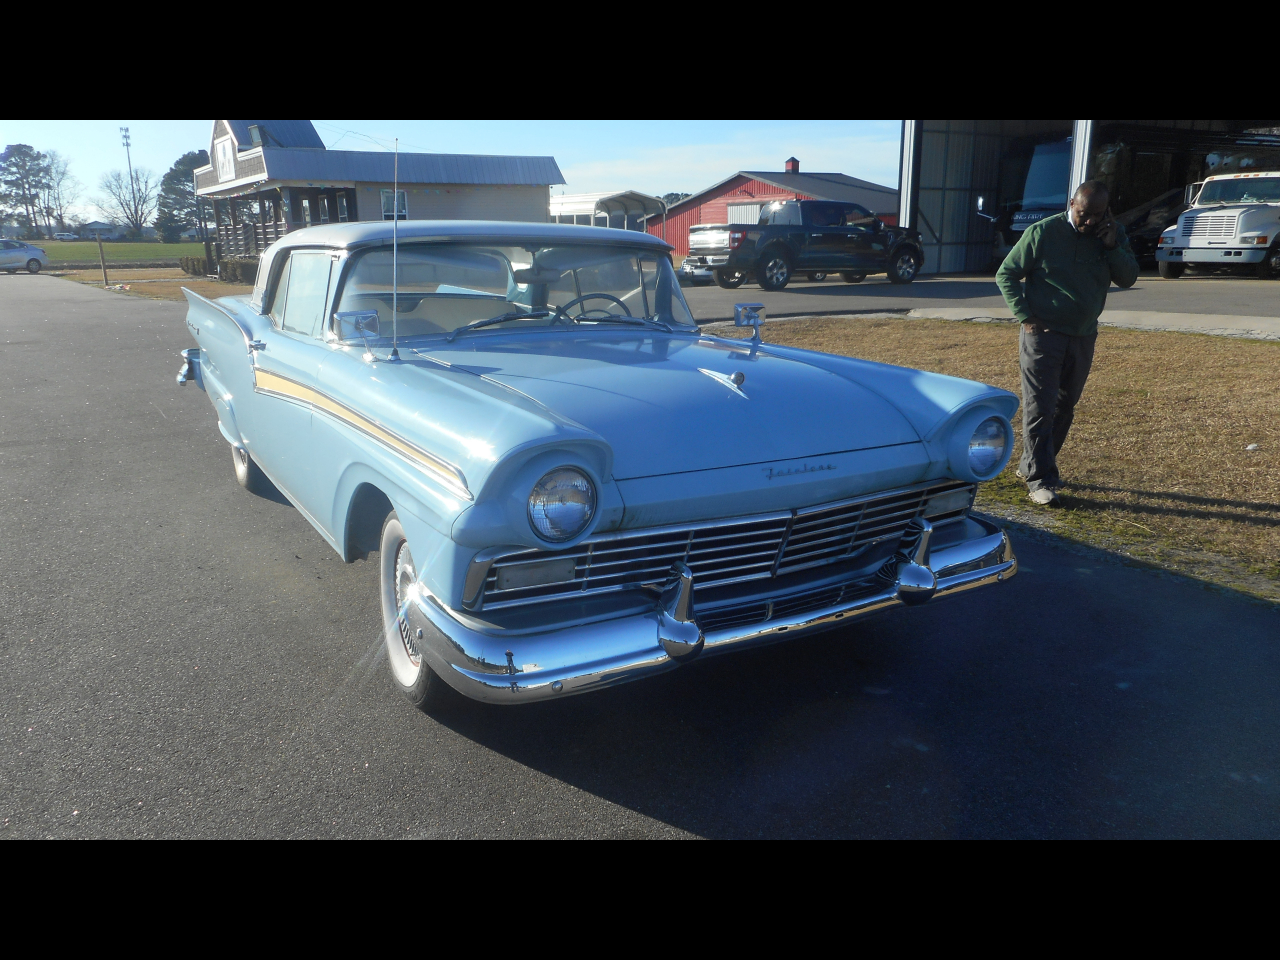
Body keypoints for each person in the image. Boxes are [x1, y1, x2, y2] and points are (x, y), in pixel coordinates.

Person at [996, 180, 1139, 506]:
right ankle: (1040, 480)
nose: (1090, 221)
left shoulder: (1111, 235)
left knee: (1064, 407)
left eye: (1097, 215)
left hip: (1083, 335)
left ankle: (1030, 464)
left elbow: (1128, 278)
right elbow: (1006, 273)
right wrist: (1026, 317)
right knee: (1040, 408)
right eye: (1084, 213)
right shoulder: (1043, 233)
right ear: (1072, 204)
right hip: (1043, 336)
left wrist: (1112, 245)